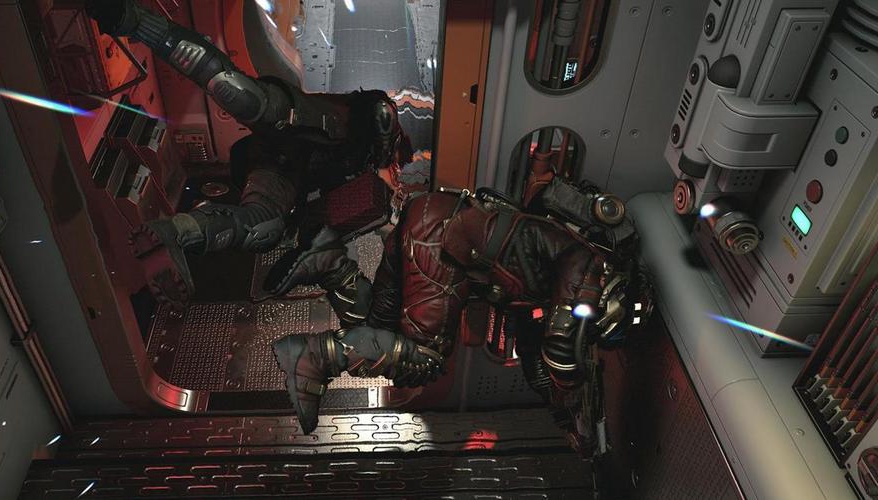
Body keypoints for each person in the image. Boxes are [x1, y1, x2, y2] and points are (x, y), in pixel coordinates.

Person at [268, 176, 653, 453]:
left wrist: (568, 419)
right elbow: (560, 346)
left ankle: (330, 265)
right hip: (441, 241)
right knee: (423, 360)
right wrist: (573, 386)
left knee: (378, 331)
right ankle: (314, 356)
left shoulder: (553, 286)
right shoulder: (585, 261)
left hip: (430, 223)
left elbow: (534, 354)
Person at [85, 0, 412, 305]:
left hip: (284, 165)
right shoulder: (380, 138)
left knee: (263, 230)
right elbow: (381, 111)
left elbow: (322, 220)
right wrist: (383, 164)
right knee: (243, 96)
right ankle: (131, 18)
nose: (398, 178)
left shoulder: (363, 192)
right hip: (308, 122)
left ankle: (173, 233)